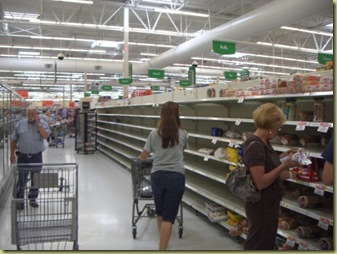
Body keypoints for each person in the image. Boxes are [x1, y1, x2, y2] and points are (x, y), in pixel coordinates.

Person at [242, 103, 299, 250]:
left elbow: (266, 166)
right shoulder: (255, 146)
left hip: (268, 204)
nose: (277, 131)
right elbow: (260, 182)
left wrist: (283, 157)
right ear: (270, 127)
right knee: (258, 244)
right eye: (277, 127)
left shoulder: (264, 142)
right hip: (261, 205)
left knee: (265, 242)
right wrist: (283, 166)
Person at [139, 101, 189, 250]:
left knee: (160, 212)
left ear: (162, 115)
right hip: (176, 177)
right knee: (169, 217)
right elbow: (182, 151)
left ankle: (163, 244)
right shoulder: (183, 134)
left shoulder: (154, 133)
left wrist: (142, 158)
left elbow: (143, 156)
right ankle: (162, 248)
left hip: (157, 177)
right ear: (177, 115)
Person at [10, 104, 51, 210]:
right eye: (29, 113)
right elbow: (14, 139)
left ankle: (33, 199)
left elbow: (45, 136)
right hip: (22, 156)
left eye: (33, 113)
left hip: (36, 157)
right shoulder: (20, 124)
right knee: (22, 179)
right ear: (26, 113)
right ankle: (19, 201)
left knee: (36, 179)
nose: (31, 115)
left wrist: (39, 125)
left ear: (37, 113)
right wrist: (11, 154)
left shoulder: (42, 123)